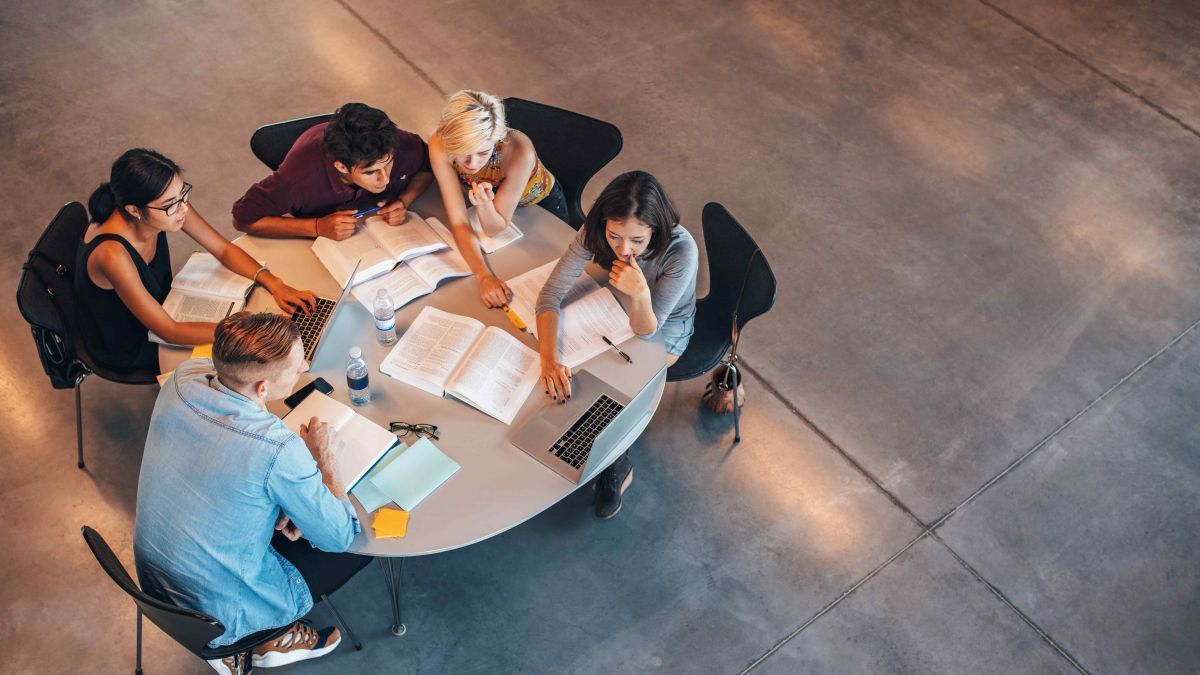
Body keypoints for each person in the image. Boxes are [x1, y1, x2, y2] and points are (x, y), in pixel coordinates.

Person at [134, 312, 370, 675]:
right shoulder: (276, 448)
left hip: (154, 580)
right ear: (262, 388)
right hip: (221, 608)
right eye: (296, 367)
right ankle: (266, 635)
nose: (305, 366)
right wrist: (323, 458)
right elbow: (339, 535)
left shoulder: (184, 377)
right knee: (361, 547)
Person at [534, 171, 698, 519]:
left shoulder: (681, 251)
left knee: (617, 384)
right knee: (576, 370)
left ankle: (615, 459)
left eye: (637, 240)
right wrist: (549, 359)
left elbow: (647, 331)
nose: (624, 249)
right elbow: (550, 294)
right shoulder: (594, 232)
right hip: (611, 308)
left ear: (656, 229)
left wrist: (639, 293)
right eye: (614, 237)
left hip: (663, 327)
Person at [77, 149, 316, 373]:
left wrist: (274, 283)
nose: (182, 209)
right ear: (134, 210)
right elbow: (168, 331)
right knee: (248, 364)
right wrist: (247, 329)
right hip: (132, 340)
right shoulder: (112, 255)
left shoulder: (166, 203)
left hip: (164, 306)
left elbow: (222, 249)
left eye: (183, 194)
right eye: (171, 205)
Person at [428, 90, 568, 307]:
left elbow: (494, 229)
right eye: (463, 152)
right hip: (491, 201)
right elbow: (458, 221)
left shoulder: (520, 151)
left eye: (483, 152)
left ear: (497, 138)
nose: (472, 164)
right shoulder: (439, 144)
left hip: (540, 204)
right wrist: (483, 275)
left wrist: (485, 206)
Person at [232, 102, 434, 240]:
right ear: (342, 167)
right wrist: (316, 227)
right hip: (323, 235)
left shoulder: (392, 143)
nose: (385, 179)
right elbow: (242, 219)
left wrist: (404, 200)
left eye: (388, 163)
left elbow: (429, 164)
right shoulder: (298, 179)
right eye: (370, 172)